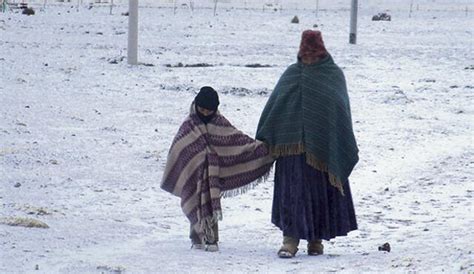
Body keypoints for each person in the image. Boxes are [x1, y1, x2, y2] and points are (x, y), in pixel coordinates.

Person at [256, 30, 359, 258]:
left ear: (322, 54)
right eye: (306, 56)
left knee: (319, 195)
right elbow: (276, 106)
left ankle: (316, 240)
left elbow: (339, 111)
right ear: (300, 54)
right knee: (292, 195)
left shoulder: (332, 76)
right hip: (292, 152)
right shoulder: (291, 74)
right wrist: (267, 135)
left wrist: (333, 139)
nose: (309, 60)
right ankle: (290, 241)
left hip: (322, 151)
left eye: (314, 56)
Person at [161, 86, 274, 252]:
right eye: (202, 109)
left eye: (209, 110)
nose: (206, 113)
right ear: (196, 105)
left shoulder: (220, 123)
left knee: (210, 197)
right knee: (194, 197)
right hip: (194, 173)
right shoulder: (188, 126)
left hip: (212, 175)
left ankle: (211, 237)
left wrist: (263, 150)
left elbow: (237, 141)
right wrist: (197, 159)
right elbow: (179, 149)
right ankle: (197, 236)